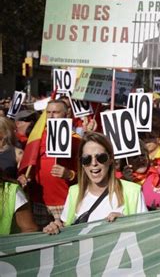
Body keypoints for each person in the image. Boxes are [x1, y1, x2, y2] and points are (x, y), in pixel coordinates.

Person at [43, 132, 147, 234]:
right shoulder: (74, 192)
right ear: (82, 163)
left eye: (101, 157)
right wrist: (55, 229)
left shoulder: (133, 191)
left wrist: (127, 224)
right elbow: (66, 234)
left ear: (111, 159)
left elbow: (148, 234)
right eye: (86, 159)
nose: (93, 163)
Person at [17, 100, 81, 228]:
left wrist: (70, 174)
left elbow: (88, 173)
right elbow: (27, 165)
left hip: (65, 201)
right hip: (39, 201)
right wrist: (24, 176)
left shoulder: (77, 140)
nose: (51, 116)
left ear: (66, 114)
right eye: (48, 112)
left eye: (56, 112)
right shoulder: (36, 136)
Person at [117, 141, 160, 210]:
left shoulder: (157, 171)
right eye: (135, 157)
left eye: (142, 155)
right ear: (126, 161)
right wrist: (127, 181)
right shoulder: (120, 180)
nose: (140, 160)